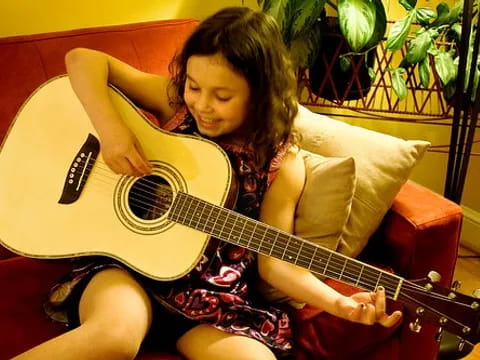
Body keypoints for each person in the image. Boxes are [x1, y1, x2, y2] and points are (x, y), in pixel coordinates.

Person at [13, 7, 402, 360]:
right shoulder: (177, 104)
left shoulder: (281, 164)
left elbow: (276, 265)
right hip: (127, 267)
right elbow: (82, 60)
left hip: (211, 299)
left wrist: (341, 303)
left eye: (223, 96)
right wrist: (111, 130)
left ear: (260, 96)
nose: (201, 104)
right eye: (195, 86)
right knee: (115, 335)